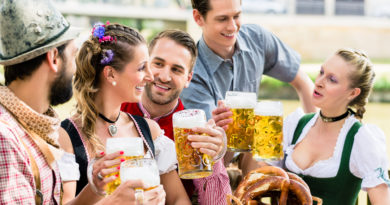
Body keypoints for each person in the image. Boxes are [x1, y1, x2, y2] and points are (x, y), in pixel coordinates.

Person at [0, 1, 144, 204]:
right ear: (54, 58)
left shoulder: (32, 127)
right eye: (73, 55)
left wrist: (94, 189)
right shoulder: (5, 139)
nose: (77, 70)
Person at [182, 0, 317, 177]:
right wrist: (225, 131)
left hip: (256, 156)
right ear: (198, 18)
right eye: (222, 19)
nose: (232, 27)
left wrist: (315, 141)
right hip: (216, 166)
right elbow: (212, 156)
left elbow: (303, 82)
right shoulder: (193, 75)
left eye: (236, 16)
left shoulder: (257, 39)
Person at [59, 23, 190, 204]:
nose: (151, 77)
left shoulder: (149, 130)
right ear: (111, 74)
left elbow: (179, 200)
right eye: (141, 68)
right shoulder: (66, 135)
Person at [121, 29, 231, 204]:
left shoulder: (193, 131)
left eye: (176, 70)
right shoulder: (117, 110)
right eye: (158, 64)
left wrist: (215, 159)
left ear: (188, 79)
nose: (165, 77)